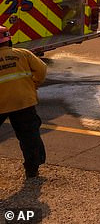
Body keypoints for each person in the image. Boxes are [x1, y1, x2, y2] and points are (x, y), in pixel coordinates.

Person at [0, 27, 47, 178]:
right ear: (9, 40)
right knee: (29, 135)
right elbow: (42, 69)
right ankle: (32, 169)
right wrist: (34, 83)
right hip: (24, 101)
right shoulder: (23, 54)